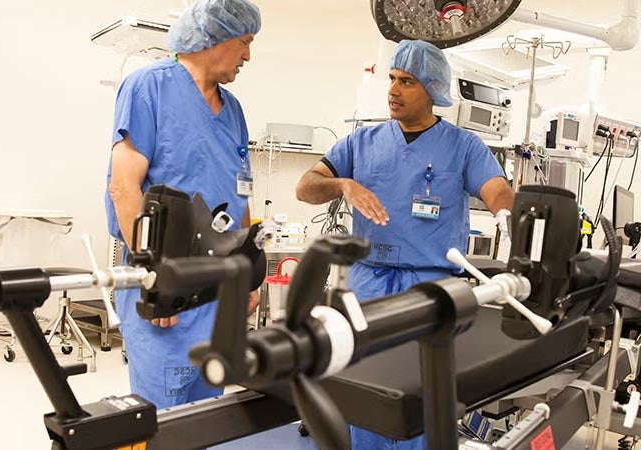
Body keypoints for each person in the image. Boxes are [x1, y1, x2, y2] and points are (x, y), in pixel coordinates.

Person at [295, 39, 515, 450]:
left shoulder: (463, 146)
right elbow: (306, 187)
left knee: (423, 394)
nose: (394, 90)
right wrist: (343, 183)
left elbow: (497, 190)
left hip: (429, 288)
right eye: (392, 79)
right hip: (367, 284)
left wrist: (511, 219)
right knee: (366, 391)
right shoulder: (361, 142)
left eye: (407, 81)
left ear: (432, 90)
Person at [105, 0, 262, 409]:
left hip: (216, 281)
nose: (248, 55)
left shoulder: (234, 111)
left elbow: (239, 190)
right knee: (161, 415)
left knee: (205, 408)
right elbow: (124, 187)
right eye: (244, 42)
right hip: (164, 276)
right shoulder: (148, 87)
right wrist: (155, 282)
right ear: (214, 37)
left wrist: (244, 268)